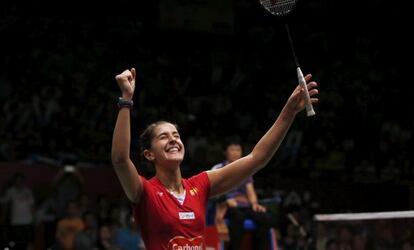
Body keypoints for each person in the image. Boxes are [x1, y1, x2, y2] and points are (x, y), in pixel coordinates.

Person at [111, 67, 319, 249]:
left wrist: (288, 112)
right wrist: (126, 100)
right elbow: (120, 159)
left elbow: (257, 158)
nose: (174, 140)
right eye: (164, 137)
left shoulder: (199, 186)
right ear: (149, 154)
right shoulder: (145, 191)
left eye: (176, 135)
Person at [211, 137, 275, 250]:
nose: (236, 153)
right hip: (226, 206)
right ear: (225, 152)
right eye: (232, 149)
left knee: (265, 217)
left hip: (243, 205)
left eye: (238, 150)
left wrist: (255, 204)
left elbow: (250, 190)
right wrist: (226, 199)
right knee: (238, 217)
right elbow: (213, 190)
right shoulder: (218, 168)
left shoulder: (246, 170)